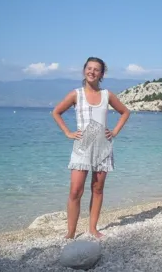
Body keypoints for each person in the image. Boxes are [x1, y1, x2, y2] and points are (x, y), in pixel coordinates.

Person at [52, 57, 130, 239]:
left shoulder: (107, 95)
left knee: (97, 189)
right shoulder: (76, 94)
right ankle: (70, 232)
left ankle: (92, 229)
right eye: (89, 68)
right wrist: (68, 132)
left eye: (96, 69)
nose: (92, 72)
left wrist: (115, 131)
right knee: (75, 191)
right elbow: (56, 112)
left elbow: (125, 112)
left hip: (103, 146)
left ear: (102, 74)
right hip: (82, 145)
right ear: (84, 70)